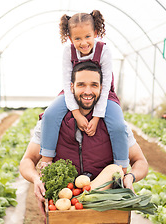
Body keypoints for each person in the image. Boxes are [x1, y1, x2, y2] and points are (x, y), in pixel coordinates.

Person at [19, 61, 149, 224]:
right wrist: (35, 179)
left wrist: (130, 177)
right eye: (81, 84)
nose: (87, 91)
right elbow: (27, 160)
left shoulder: (116, 127)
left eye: (94, 85)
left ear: (102, 89)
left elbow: (140, 162)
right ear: (71, 87)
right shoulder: (51, 125)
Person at [40, 11, 129, 172]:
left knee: (117, 125)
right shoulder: (68, 52)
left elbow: (106, 83)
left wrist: (96, 117)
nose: (83, 43)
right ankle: (46, 159)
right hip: (73, 92)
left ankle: (121, 167)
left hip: (103, 93)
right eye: (77, 38)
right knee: (50, 114)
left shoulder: (104, 51)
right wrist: (76, 114)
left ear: (95, 33)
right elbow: (67, 84)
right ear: (70, 38)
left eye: (88, 36)